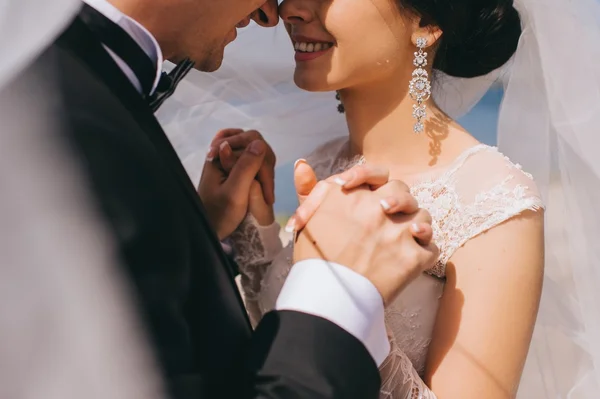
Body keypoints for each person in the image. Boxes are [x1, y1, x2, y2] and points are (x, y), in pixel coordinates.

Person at [162, 0, 600, 396]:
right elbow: (283, 351)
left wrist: (357, 310)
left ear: (426, 22)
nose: (291, 9)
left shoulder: (494, 201)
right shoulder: (324, 162)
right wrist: (250, 232)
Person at [9, 0, 441, 398]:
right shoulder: (49, 108)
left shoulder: (69, 79)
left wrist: (197, 225)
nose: (273, 15)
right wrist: (339, 291)